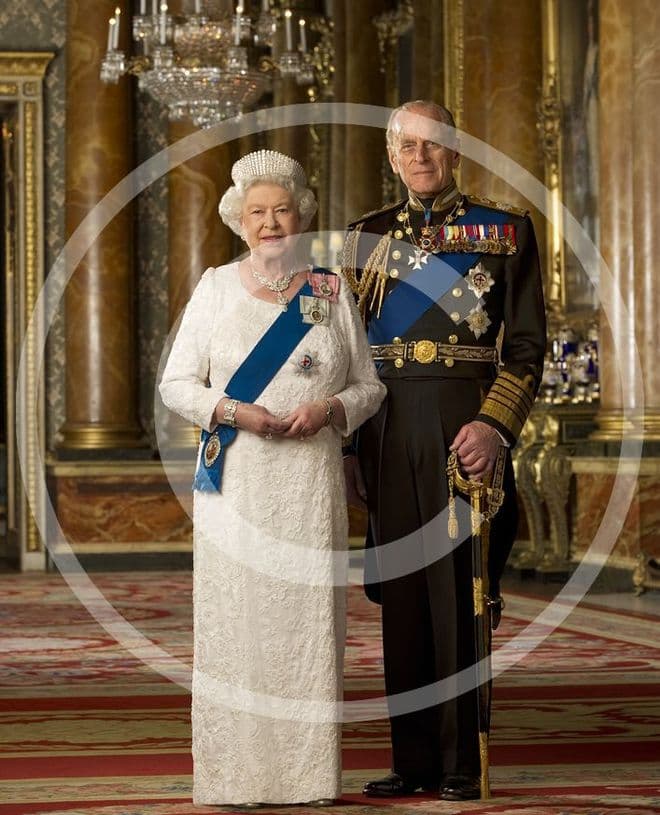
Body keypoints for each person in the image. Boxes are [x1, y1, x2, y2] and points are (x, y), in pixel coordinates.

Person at [159, 149, 386, 807]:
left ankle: (306, 775)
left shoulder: (326, 292)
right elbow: (175, 384)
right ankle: (235, 774)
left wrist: (333, 408)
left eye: (281, 209)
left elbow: (369, 384)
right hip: (238, 473)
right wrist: (233, 410)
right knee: (237, 622)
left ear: (300, 213)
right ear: (239, 219)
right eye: (257, 211)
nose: (269, 222)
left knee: (304, 620)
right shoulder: (215, 287)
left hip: (309, 480)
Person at [342, 101, 547, 801]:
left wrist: (493, 425)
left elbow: (524, 349)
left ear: (455, 150)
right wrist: (346, 449)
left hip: (465, 423)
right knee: (402, 597)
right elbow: (342, 351)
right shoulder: (364, 238)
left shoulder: (505, 230)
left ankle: (461, 763)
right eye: (407, 146)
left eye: (433, 145)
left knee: (460, 594)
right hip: (387, 424)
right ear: (392, 155)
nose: (420, 157)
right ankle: (415, 760)